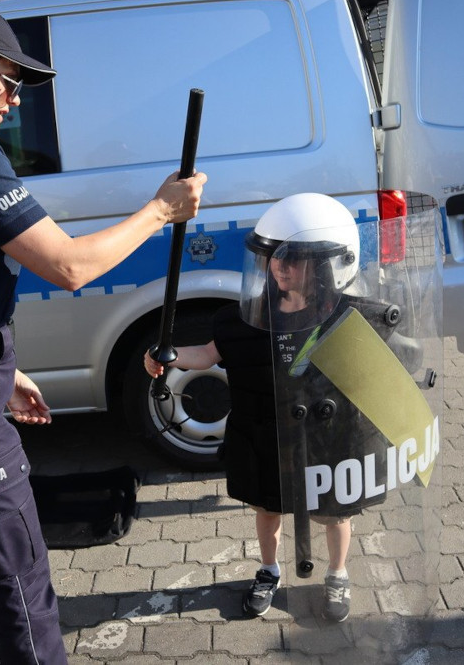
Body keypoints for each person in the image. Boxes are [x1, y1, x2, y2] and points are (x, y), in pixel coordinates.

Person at [0, 4, 206, 665]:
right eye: (7, 79)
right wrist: (161, 210)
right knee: (17, 581)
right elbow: (69, 265)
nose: (15, 97)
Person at [144, 194, 386, 623]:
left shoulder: (350, 319)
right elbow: (208, 353)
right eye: (273, 257)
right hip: (266, 434)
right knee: (267, 507)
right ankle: (268, 570)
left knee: (333, 510)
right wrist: (168, 354)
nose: (280, 266)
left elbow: (381, 376)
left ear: (328, 264)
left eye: (293, 259)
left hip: (326, 438)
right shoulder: (249, 316)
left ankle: (338, 573)